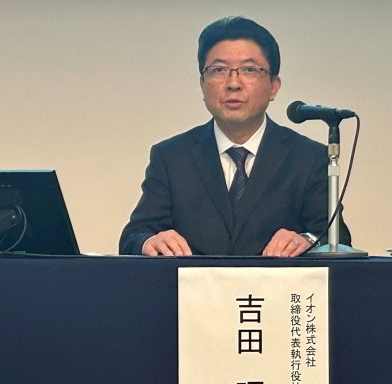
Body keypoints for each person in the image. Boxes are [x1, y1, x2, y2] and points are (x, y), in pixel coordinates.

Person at [119, 16, 351, 257]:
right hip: (193, 283)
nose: (233, 83)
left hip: (272, 283)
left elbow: (338, 239)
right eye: (219, 70)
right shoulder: (171, 157)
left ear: (273, 86)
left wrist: (307, 240)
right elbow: (134, 236)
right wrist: (150, 241)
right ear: (202, 84)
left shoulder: (308, 157)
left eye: (249, 70)